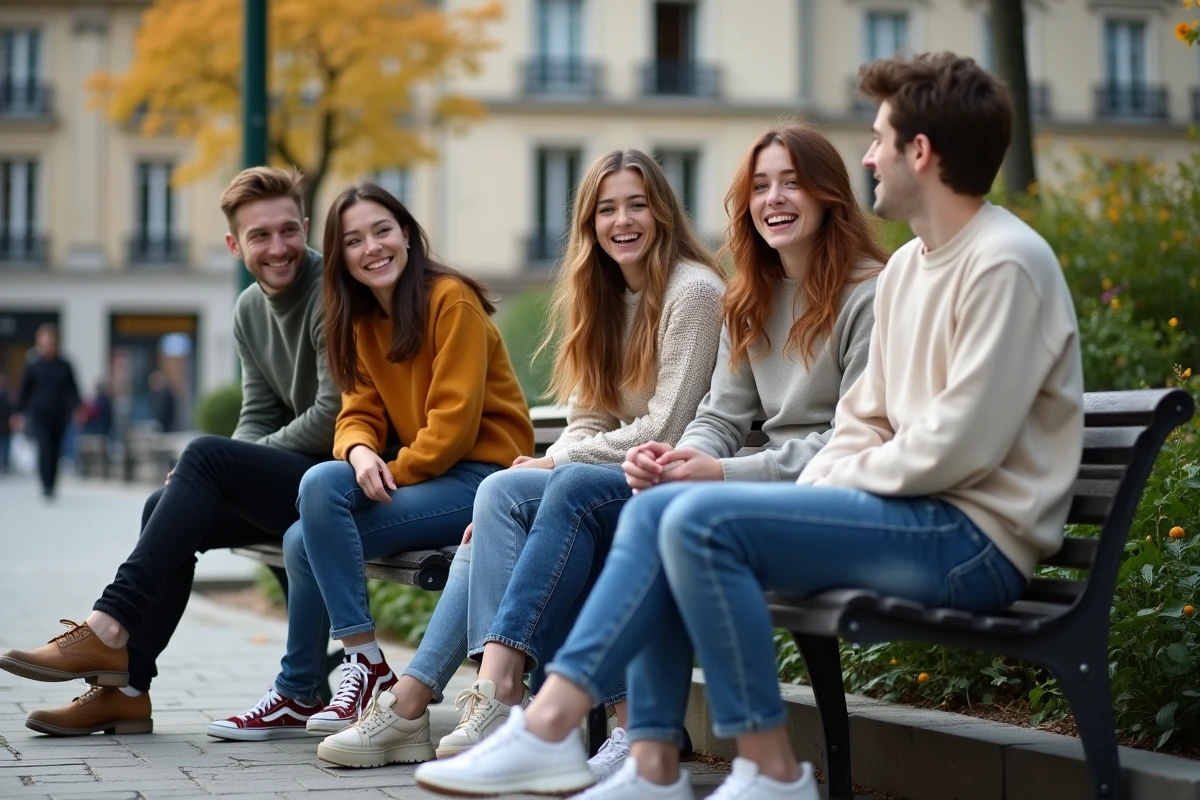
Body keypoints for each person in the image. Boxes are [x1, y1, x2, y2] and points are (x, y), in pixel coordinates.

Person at [414, 51, 1086, 800]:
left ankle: (563, 727)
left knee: (697, 520)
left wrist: (785, 486)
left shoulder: (1004, 263)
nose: (869, 154)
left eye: (878, 137)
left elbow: (959, 447)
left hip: (971, 538)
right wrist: (766, 479)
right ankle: (652, 765)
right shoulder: (909, 268)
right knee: (666, 505)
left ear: (919, 153)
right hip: (904, 511)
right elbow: (865, 421)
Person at [314, 149, 726, 771]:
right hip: (608, 479)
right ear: (588, 224)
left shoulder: (692, 292)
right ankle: (431, 700)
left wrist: (551, 467)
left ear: (663, 212)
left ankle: (471, 697)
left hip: (662, 477)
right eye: (606, 209)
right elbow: (588, 419)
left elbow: (665, 427)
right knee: (497, 512)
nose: (622, 221)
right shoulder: (603, 295)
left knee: (510, 499)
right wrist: (550, 466)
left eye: (637, 205)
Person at [0, 166, 342, 737]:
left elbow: (332, 412)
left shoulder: (332, 292)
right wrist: (222, 472)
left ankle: (107, 625)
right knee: (163, 505)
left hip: (343, 480)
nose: (278, 248)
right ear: (235, 245)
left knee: (204, 458)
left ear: (306, 227)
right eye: (260, 236)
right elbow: (257, 413)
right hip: (298, 479)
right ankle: (128, 691)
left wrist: (221, 467)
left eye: (289, 231)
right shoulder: (248, 311)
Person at [208, 182, 535, 744]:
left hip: (484, 480)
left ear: (406, 234)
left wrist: (391, 471)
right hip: (429, 475)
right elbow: (354, 412)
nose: (372, 248)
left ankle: (337, 677)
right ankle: (349, 669)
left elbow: (452, 430)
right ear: (342, 257)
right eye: (354, 240)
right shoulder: (359, 320)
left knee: (304, 535)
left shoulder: (449, 300)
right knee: (309, 509)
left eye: (382, 231)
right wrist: (359, 452)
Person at [11, 324, 80, 499]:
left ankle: (52, 483)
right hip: (39, 414)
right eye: (44, 342)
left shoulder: (65, 365)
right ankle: (45, 483)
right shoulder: (33, 366)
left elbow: (72, 391)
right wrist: (18, 413)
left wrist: (77, 409)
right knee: (45, 447)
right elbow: (24, 392)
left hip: (59, 414)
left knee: (56, 450)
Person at [0, 374, 12, 473]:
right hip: (4, 425)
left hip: (6, 426)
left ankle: (5, 465)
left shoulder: (7, 396)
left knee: (6, 447)